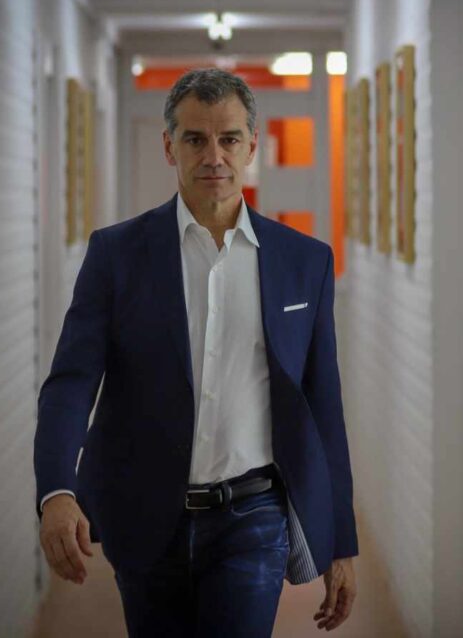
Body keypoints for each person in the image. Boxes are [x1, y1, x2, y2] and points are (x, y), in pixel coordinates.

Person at [33, 68, 358, 637]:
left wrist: (340, 542)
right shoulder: (116, 255)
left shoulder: (304, 262)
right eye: (195, 139)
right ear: (169, 147)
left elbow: (322, 405)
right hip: (144, 514)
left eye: (229, 139)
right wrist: (57, 490)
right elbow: (71, 382)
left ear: (251, 146)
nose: (214, 156)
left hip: (253, 517)